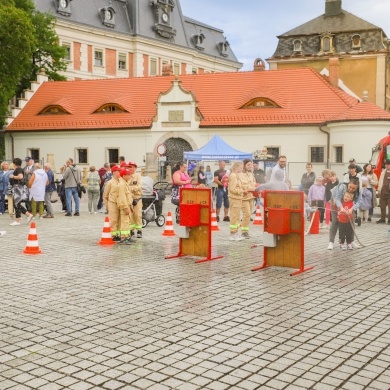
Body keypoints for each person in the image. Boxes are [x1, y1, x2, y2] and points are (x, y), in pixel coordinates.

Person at [327, 177, 361, 250]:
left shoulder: (359, 190)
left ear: (357, 187)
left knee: (351, 221)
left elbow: (358, 202)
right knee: (335, 221)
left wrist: (351, 209)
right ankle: (331, 242)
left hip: (349, 204)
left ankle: (351, 241)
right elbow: (338, 198)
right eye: (350, 187)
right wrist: (341, 208)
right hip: (336, 202)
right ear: (348, 184)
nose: (351, 189)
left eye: (353, 188)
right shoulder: (342, 186)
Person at [8, 158, 33, 226]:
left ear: (14, 163)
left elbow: (20, 177)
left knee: (16, 203)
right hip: (18, 188)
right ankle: (27, 215)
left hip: (17, 188)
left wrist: (13, 176)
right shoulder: (20, 169)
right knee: (17, 203)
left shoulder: (18, 169)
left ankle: (18, 219)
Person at [103, 165, 121, 241]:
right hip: (112, 203)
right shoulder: (109, 183)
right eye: (118, 171)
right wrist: (106, 205)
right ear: (114, 172)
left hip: (120, 203)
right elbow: (105, 195)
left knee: (119, 219)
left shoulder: (121, 181)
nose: (120, 172)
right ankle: (113, 235)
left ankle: (118, 233)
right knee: (113, 220)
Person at [239, 159, 256, 238]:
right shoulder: (240, 175)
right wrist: (244, 190)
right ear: (244, 165)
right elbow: (239, 185)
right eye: (248, 165)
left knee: (249, 215)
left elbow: (254, 184)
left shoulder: (251, 174)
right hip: (244, 198)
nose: (250, 166)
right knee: (247, 214)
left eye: (251, 165)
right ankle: (244, 232)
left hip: (251, 197)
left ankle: (246, 230)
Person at [228, 161, 245, 241]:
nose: (242, 169)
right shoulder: (234, 176)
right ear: (236, 167)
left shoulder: (236, 175)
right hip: (235, 198)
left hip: (238, 199)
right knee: (234, 216)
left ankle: (235, 233)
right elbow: (232, 189)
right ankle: (233, 234)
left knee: (237, 216)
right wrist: (242, 191)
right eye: (241, 167)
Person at [126, 162, 143, 238]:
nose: (131, 168)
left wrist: (131, 189)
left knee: (137, 214)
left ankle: (139, 230)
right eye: (129, 167)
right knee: (130, 215)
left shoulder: (138, 176)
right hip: (129, 198)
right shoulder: (127, 176)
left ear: (135, 168)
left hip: (137, 198)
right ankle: (131, 230)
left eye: (132, 167)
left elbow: (139, 186)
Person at [117, 168, 134, 244]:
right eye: (128, 175)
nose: (130, 176)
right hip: (124, 206)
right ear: (123, 176)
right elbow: (122, 197)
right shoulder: (121, 185)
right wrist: (125, 207)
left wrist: (130, 206)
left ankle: (127, 236)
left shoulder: (125, 183)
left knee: (127, 222)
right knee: (124, 222)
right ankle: (123, 238)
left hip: (128, 205)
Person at [376, 159, 390, 224]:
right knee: (382, 206)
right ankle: (382, 218)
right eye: (386, 164)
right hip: (383, 192)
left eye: (388, 164)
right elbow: (380, 182)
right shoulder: (383, 172)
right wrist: (379, 190)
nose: (386, 166)